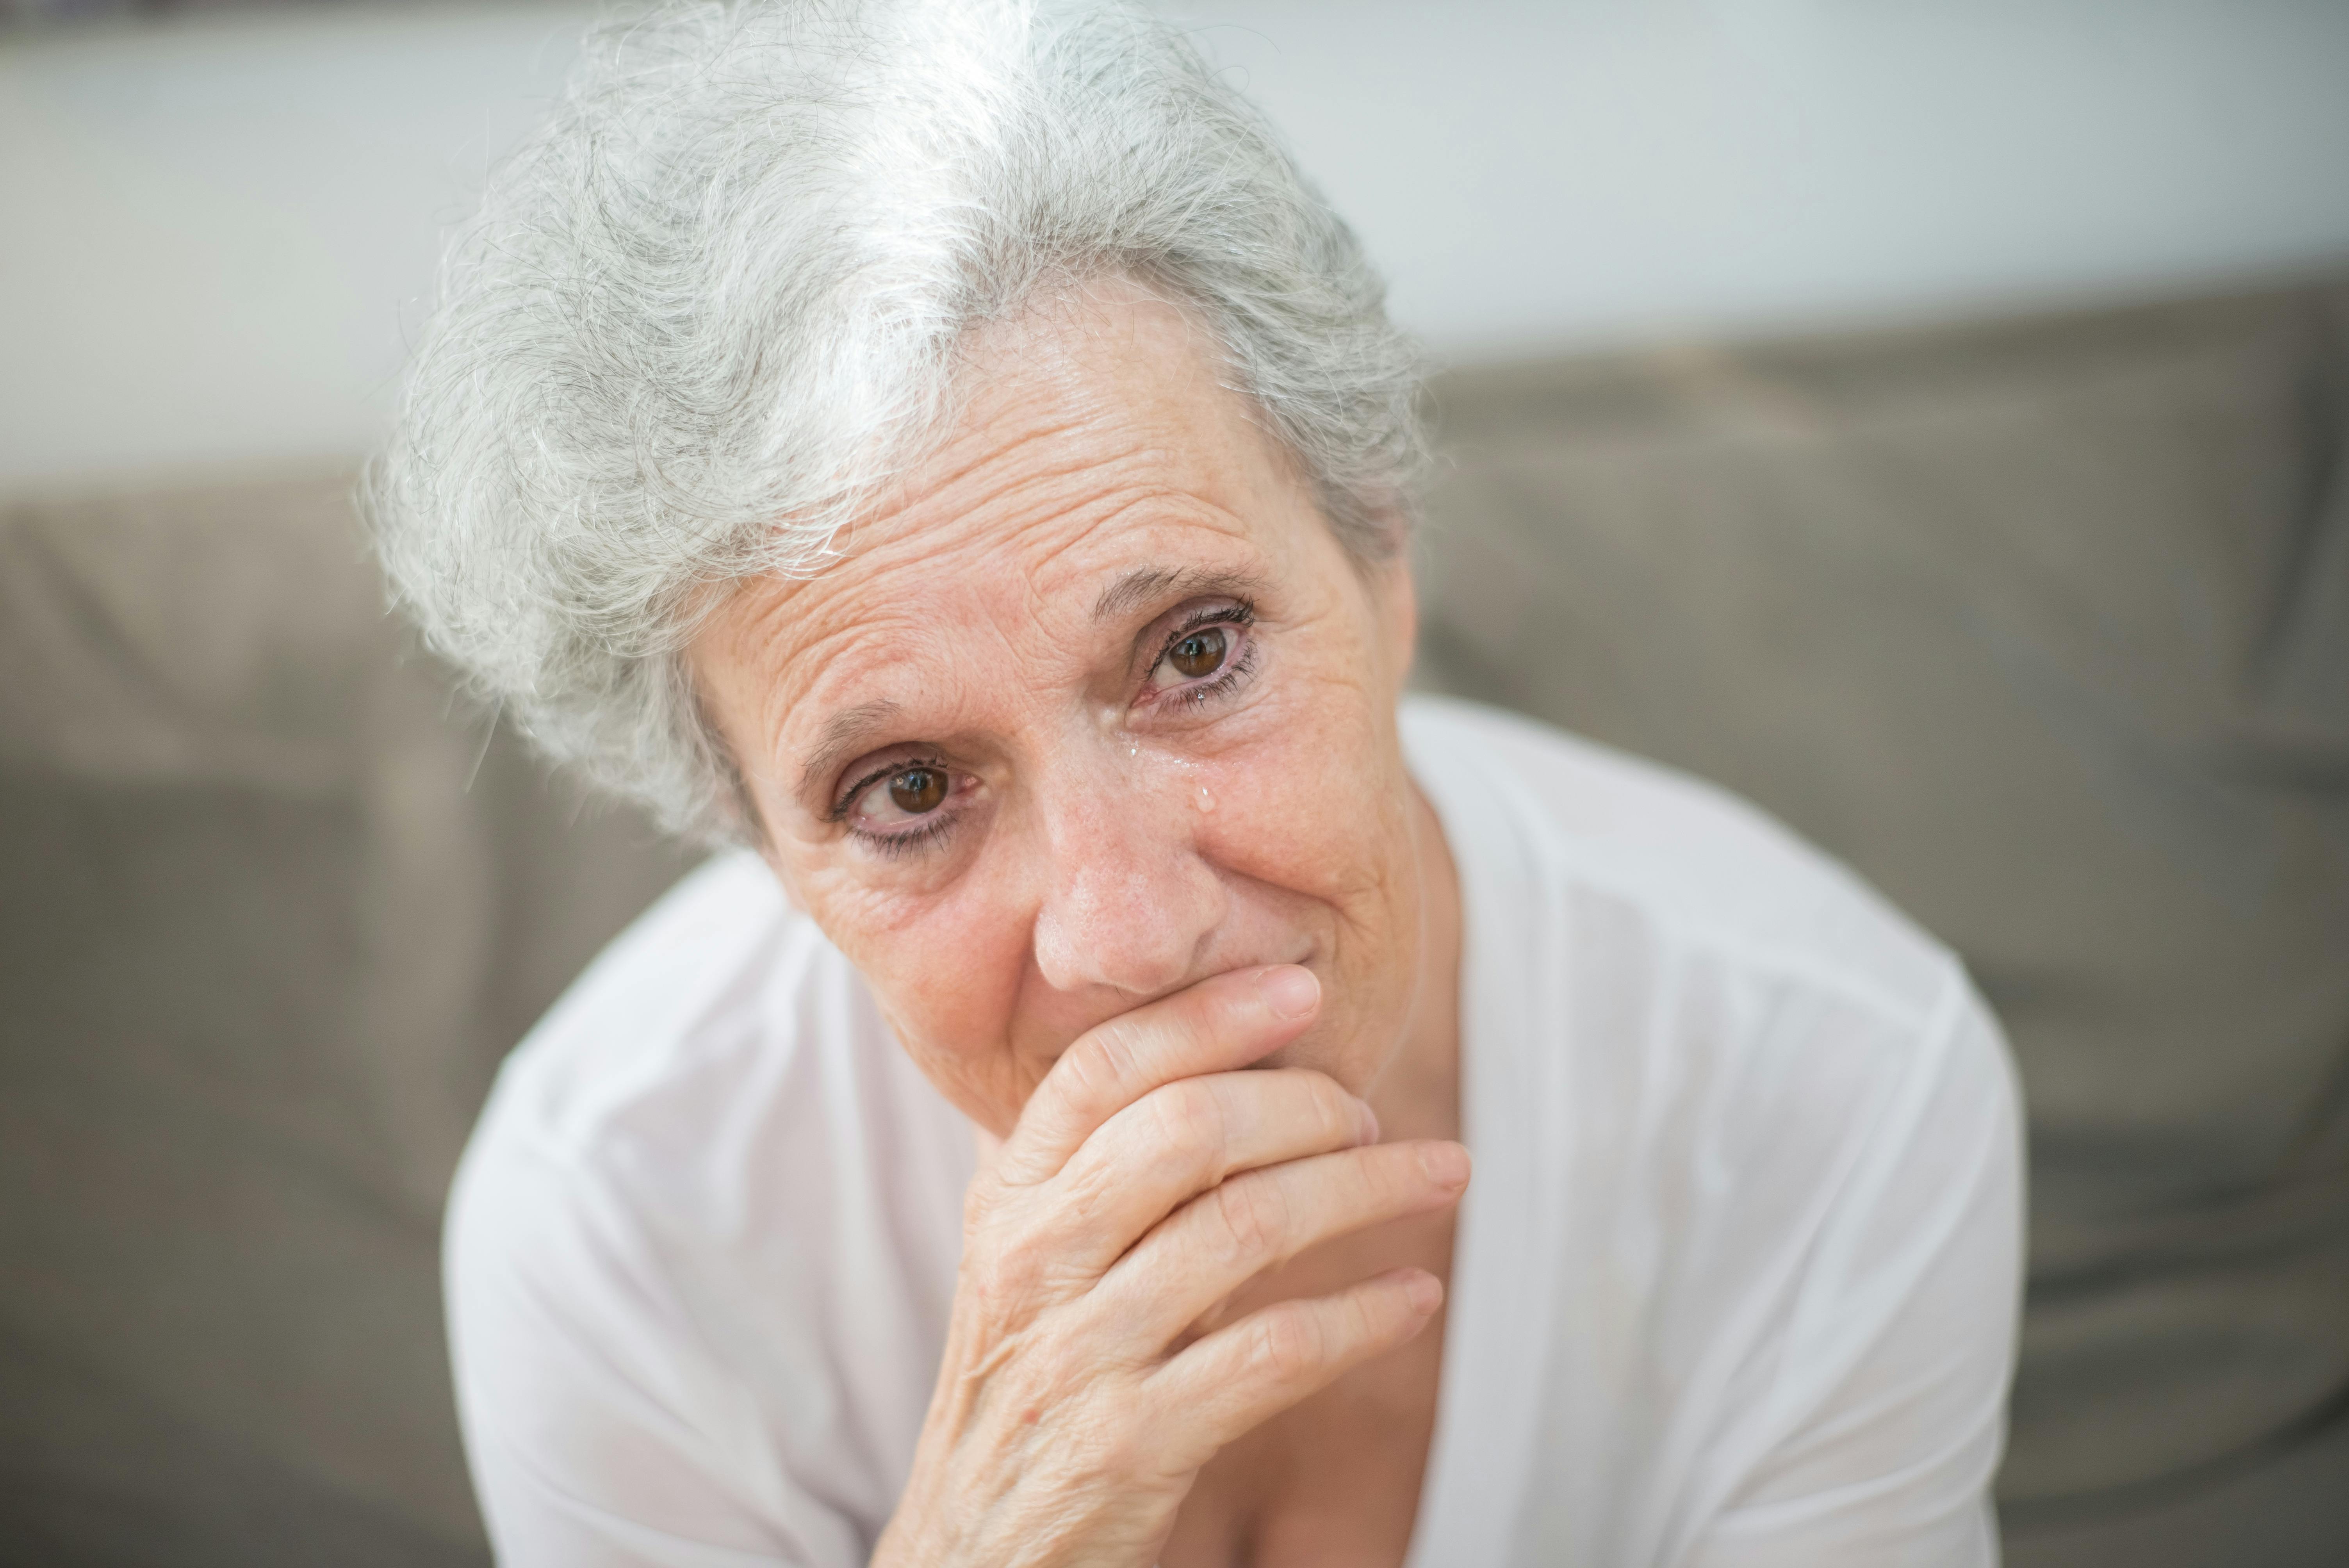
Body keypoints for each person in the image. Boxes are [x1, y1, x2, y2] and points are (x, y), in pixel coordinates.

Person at [370, 2, 2024, 1562]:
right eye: (904, 790)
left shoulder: (1835, 1084)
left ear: (1379, 555)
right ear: (753, 845)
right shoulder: (613, 1224)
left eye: (1196, 651)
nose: (1134, 927)